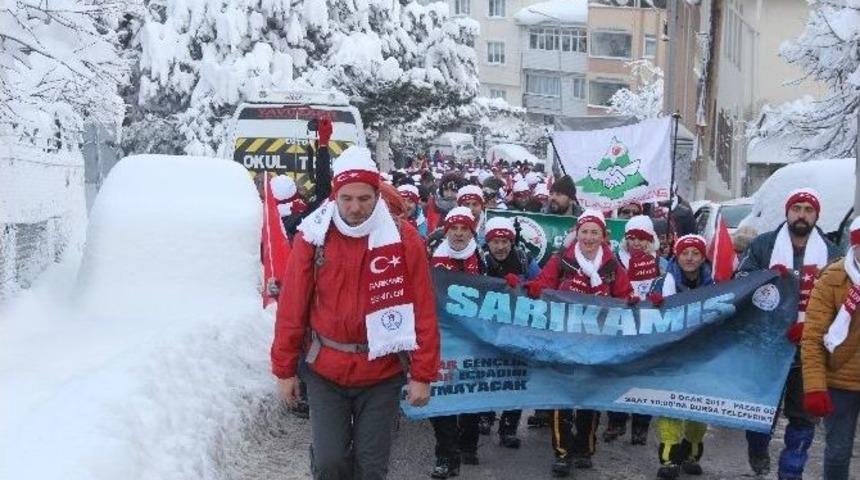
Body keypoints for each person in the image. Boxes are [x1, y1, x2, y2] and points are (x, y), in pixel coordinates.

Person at [270, 146, 440, 480]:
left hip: (381, 372)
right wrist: (284, 369)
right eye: (346, 198)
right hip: (326, 369)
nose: (355, 208)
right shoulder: (314, 236)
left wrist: (422, 374)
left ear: (378, 195)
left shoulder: (404, 239)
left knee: (371, 467)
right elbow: (292, 307)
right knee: (330, 463)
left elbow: (422, 307)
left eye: (364, 198)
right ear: (335, 196)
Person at [736, 188, 842, 479]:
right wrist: (767, 278)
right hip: (767, 344)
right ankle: (757, 450)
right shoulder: (763, 245)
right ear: (787, 212)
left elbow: (840, 300)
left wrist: (813, 328)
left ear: (816, 215)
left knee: (804, 414)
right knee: (760, 409)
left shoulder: (832, 253)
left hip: (809, 347)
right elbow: (739, 283)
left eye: (808, 210)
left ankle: (790, 472)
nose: (802, 215)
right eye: (797, 208)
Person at [527, 209, 634, 478]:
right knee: (561, 397)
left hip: (598, 344)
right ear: (577, 234)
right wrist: (524, 286)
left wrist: (638, 302)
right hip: (562, 342)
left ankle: (585, 448)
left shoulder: (612, 266)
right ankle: (562, 452)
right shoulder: (561, 260)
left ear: (603, 237)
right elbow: (541, 286)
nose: (588, 237)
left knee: (590, 397)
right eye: (584, 231)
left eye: (594, 232)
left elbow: (625, 295)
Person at [647, 235, 714, 479]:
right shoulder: (662, 283)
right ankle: (668, 458)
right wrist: (652, 305)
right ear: (677, 255)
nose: (689, 258)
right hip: (671, 354)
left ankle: (691, 451)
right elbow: (645, 316)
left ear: (703, 257)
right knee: (671, 404)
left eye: (695, 253)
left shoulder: (715, 283)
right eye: (685, 253)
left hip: (701, 355)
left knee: (698, 407)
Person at [801, 216, 860, 480]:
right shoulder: (831, 278)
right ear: (854, 246)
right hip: (840, 383)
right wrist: (815, 387)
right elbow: (812, 337)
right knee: (838, 452)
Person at [429, 206, 486, 478]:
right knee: (440, 395)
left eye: (465, 228)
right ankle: (445, 454)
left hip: (473, 336)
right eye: (455, 228)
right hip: (440, 335)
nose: (459, 233)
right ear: (446, 230)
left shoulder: (481, 256)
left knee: (470, 392)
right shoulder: (433, 255)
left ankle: (468, 445)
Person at [604, 215, 665, 445]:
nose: (637, 243)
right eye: (632, 238)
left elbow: (670, 291)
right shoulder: (614, 261)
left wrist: (660, 298)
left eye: (642, 239)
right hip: (619, 326)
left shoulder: (660, 262)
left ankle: (640, 425)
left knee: (644, 376)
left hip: (648, 328)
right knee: (616, 373)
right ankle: (616, 420)